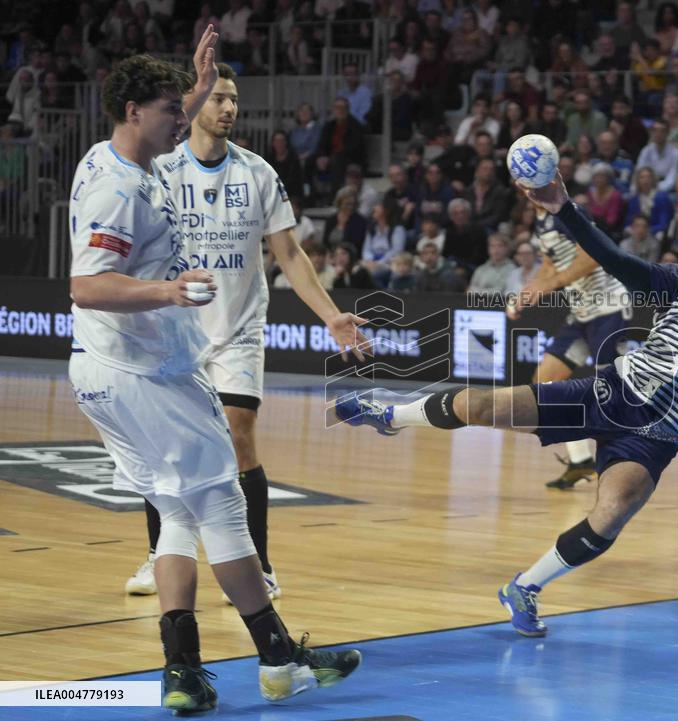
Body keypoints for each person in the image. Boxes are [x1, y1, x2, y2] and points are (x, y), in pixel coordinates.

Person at [334, 172, 678, 637]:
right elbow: (615, 259)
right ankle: (391, 413)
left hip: (654, 440)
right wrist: (564, 208)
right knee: (483, 408)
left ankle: (524, 588)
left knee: (611, 515)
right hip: (609, 395)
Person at [70, 43, 362, 713]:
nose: (186, 117)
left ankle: (183, 671)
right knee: (223, 507)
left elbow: (175, 124)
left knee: (178, 509)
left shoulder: (109, 157)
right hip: (147, 372)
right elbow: (86, 285)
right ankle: (279, 658)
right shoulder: (123, 186)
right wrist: (168, 292)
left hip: (111, 369)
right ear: (134, 111)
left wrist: (198, 86)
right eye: (173, 110)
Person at [128, 60, 370, 607]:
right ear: (193, 104)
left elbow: (290, 253)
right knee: (168, 449)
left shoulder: (258, 172)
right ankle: (159, 553)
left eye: (234, 99)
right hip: (173, 332)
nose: (230, 108)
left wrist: (331, 315)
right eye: (219, 98)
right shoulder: (162, 170)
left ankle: (259, 564)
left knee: (239, 436)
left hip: (237, 328)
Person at [505, 202, 632, 490]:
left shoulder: (565, 211)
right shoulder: (541, 220)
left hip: (608, 308)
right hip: (583, 313)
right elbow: (551, 265)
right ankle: (581, 461)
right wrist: (528, 292)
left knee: (618, 393)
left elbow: (594, 254)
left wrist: (552, 284)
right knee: (545, 382)